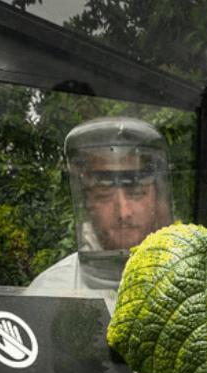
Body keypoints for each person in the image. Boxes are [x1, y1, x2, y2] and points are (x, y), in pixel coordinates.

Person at [24, 116, 174, 302]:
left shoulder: (193, 286)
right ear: (86, 201)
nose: (123, 212)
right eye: (104, 195)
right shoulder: (49, 293)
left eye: (136, 192)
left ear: (156, 196)